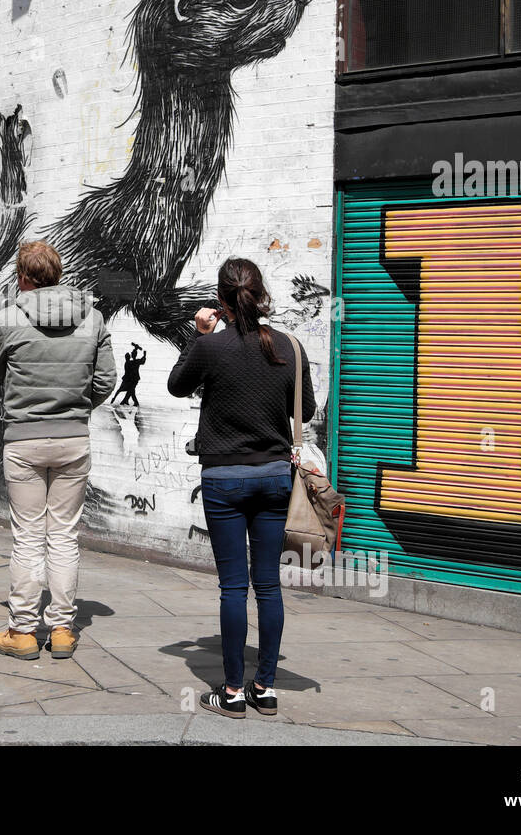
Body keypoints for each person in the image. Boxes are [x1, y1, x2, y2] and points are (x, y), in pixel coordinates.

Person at [167, 257, 315, 719]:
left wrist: (199, 334)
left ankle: (231, 692)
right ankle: (265, 687)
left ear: (220, 299)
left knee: (233, 587)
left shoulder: (212, 347)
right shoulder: (290, 345)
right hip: (274, 477)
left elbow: (176, 385)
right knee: (268, 586)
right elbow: (305, 411)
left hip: (224, 480)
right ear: (261, 292)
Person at [0, 241, 116, 660]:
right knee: (64, 536)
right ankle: (61, 629)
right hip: (73, 439)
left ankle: (22, 631)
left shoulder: (7, 317)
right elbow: (106, 380)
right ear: (57, 273)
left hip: (24, 439)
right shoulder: (93, 318)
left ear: (22, 277)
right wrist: (75, 408)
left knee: (27, 536)